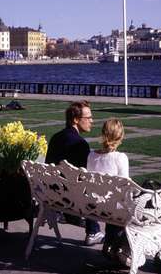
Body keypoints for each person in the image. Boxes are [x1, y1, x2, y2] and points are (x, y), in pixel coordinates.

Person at [45, 100, 104, 246]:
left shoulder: (56, 137)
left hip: (53, 194)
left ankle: (73, 219)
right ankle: (93, 231)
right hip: (71, 199)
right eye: (88, 117)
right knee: (91, 187)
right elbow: (84, 178)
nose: (92, 121)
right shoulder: (80, 144)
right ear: (76, 120)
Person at [87, 119, 130, 265]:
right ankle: (117, 245)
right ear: (121, 136)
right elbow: (125, 188)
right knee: (124, 204)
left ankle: (112, 243)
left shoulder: (91, 155)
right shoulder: (120, 158)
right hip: (112, 208)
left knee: (112, 201)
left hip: (94, 205)